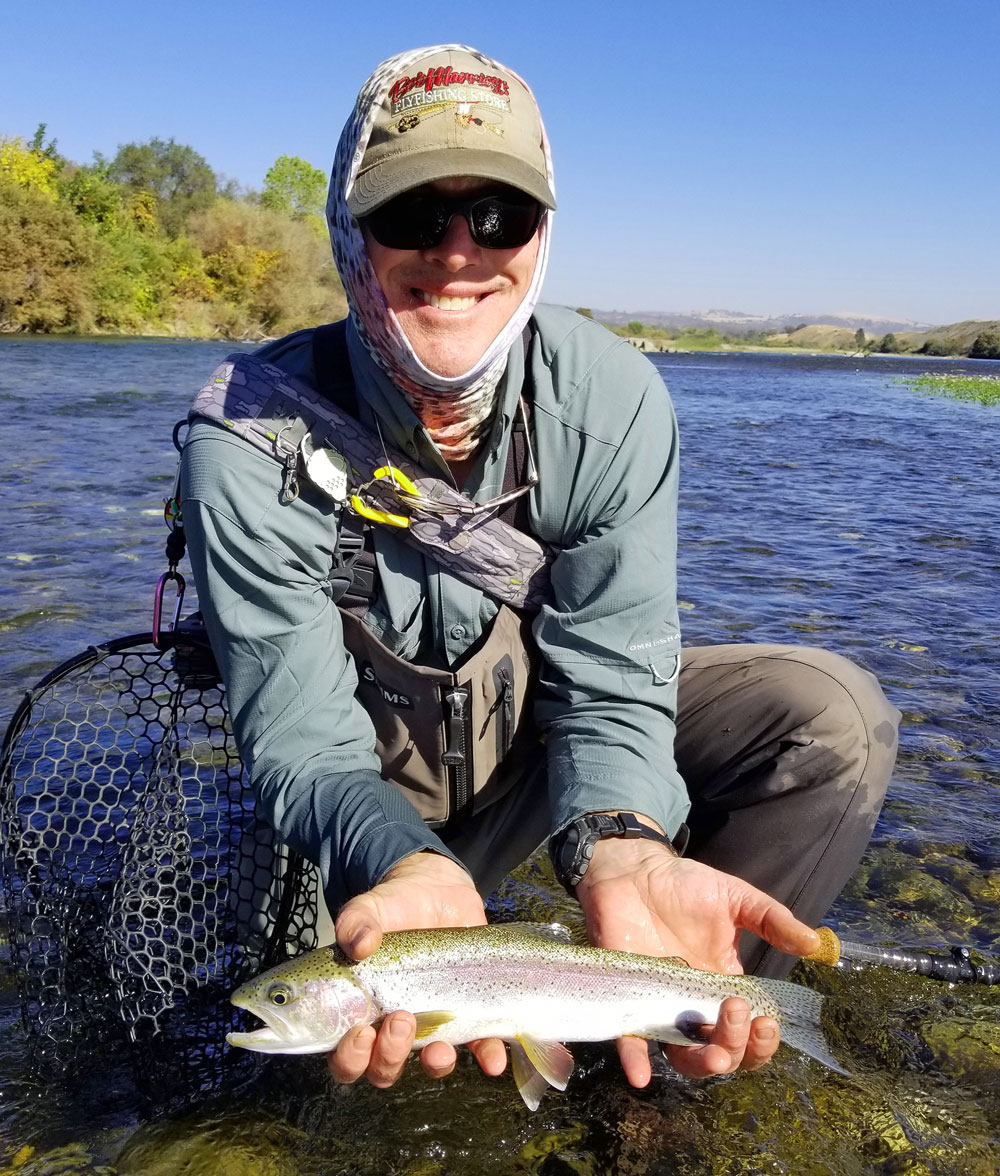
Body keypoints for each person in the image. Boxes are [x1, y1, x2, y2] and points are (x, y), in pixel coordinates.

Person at [180, 44, 899, 1096]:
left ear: (542, 237)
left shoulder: (610, 399)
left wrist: (622, 839)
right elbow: (305, 747)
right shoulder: (246, 439)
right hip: (366, 819)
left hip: (531, 755)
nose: (461, 253)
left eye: (500, 219)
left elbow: (613, 678)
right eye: (414, 217)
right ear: (349, 231)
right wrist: (400, 862)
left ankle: (682, 1051)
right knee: (292, 1078)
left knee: (828, 715)